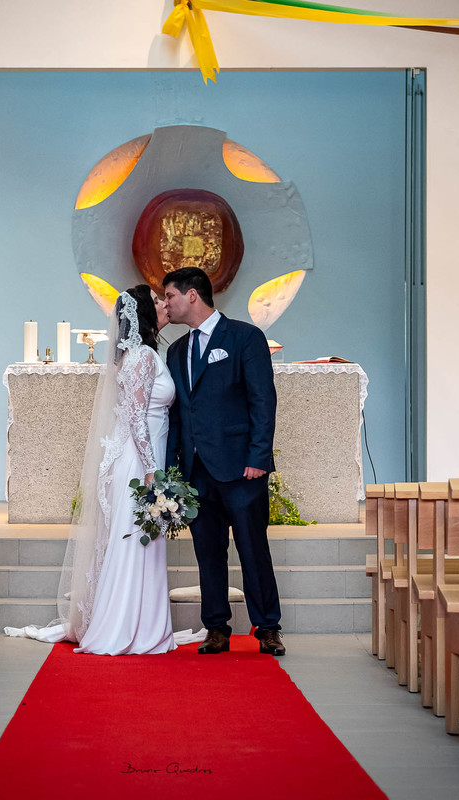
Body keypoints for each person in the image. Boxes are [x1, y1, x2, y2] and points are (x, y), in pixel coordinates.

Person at [5, 285, 199, 654]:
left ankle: (138, 623)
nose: (163, 305)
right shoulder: (142, 356)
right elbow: (137, 419)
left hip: (140, 457)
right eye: (156, 301)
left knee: (138, 541)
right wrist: (153, 471)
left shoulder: (139, 355)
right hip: (140, 462)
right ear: (143, 312)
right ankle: (126, 626)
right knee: (135, 542)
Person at [163, 267, 285, 656]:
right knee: (207, 552)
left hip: (241, 467)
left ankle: (268, 627)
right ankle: (216, 627)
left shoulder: (245, 337)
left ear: (192, 295)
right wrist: (172, 471)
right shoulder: (176, 351)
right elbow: (177, 414)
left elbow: (262, 400)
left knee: (253, 549)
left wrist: (258, 456)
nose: (166, 304)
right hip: (196, 471)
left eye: (170, 296)